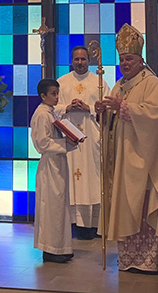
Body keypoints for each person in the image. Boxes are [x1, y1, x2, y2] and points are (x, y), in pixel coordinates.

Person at [95, 24, 158, 273]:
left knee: (142, 208)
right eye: (122, 59)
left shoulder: (153, 85)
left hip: (143, 163)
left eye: (129, 58)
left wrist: (124, 109)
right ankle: (129, 259)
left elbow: (156, 116)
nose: (125, 63)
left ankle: (147, 261)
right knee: (127, 209)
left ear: (141, 60)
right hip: (122, 162)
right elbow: (112, 123)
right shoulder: (119, 86)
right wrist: (103, 115)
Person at [57, 45, 110, 239]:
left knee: (91, 179)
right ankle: (72, 222)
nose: (80, 63)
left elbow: (108, 111)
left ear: (89, 61)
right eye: (76, 59)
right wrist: (68, 107)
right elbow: (53, 108)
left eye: (83, 59)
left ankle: (92, 224)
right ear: (72, 60)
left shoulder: (100, 83)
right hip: (69, 139)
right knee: (71, 177)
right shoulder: (62, 83)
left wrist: (89, 108)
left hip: (90, 140)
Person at [31, 78, 75, 263]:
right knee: (51, 207)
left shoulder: (50, 112)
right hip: (49, 164)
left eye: (57, 93)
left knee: (59, 206)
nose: (57, 97)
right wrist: (66, 143)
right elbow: (42, 143)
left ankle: (61, 246)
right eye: (53, 94)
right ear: (43, 96)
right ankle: (50, 249)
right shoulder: (41, 114)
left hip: (57, 163)